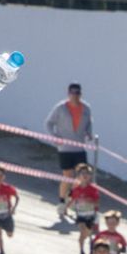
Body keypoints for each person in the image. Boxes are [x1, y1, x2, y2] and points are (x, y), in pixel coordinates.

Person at [46, 82, 92, 218]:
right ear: (68, 94)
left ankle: (73, 203)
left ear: (80, 94)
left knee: (82, 177)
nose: (75, 95)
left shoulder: (86, 109)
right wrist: (54, 137)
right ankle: (61, 202)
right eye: (72, 93)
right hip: (65, 148)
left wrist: (89, 134)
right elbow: (49, 123)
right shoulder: (60, 108)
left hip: (79, 147)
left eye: (77, 93)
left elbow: (89, 124)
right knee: (68, 175)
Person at [67, 164, 100, 254]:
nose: (85, 175)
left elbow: (97, 203)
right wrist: (66, 208)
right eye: (82, 173)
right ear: (78, 176)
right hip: (81, 215)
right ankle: (81, 252)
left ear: (90, 176)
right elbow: (72, 199)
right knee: (82, 232)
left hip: (91, 215)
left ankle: (91, 251)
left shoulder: (93, 189)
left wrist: (90, 201)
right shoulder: (76, 189)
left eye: (87, 173)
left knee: (89, 234)